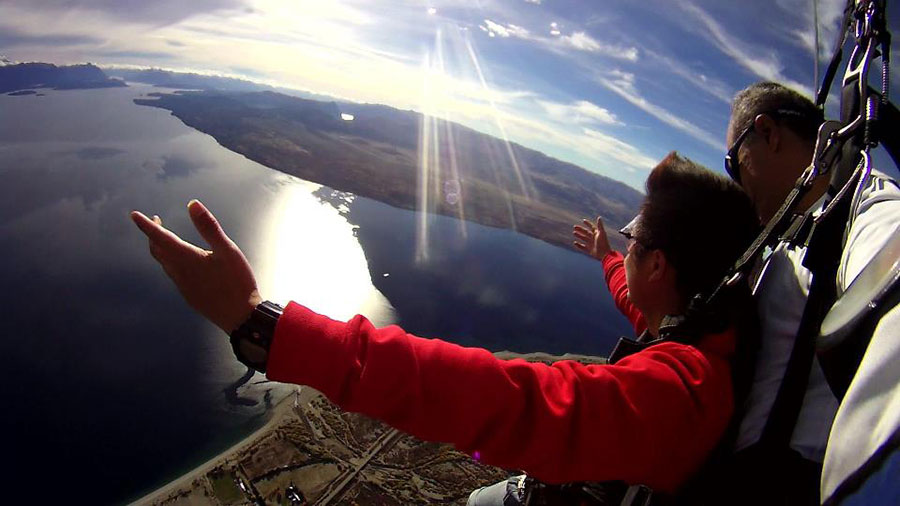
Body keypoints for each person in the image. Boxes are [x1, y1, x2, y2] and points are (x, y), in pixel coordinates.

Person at [130, 152, 758, 499]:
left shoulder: (680, 393)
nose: (625, 244)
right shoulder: (699, 328)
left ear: (661, 263)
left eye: (633, 237)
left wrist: (258, 324)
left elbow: (510, 401)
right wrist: (609, 261)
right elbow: (639, 302)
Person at [722, 81, 900, 504]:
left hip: (787, 481)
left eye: (734, 163)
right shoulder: (793, 230)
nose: (736, 179)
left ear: (768, 134)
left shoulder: (867, 210)